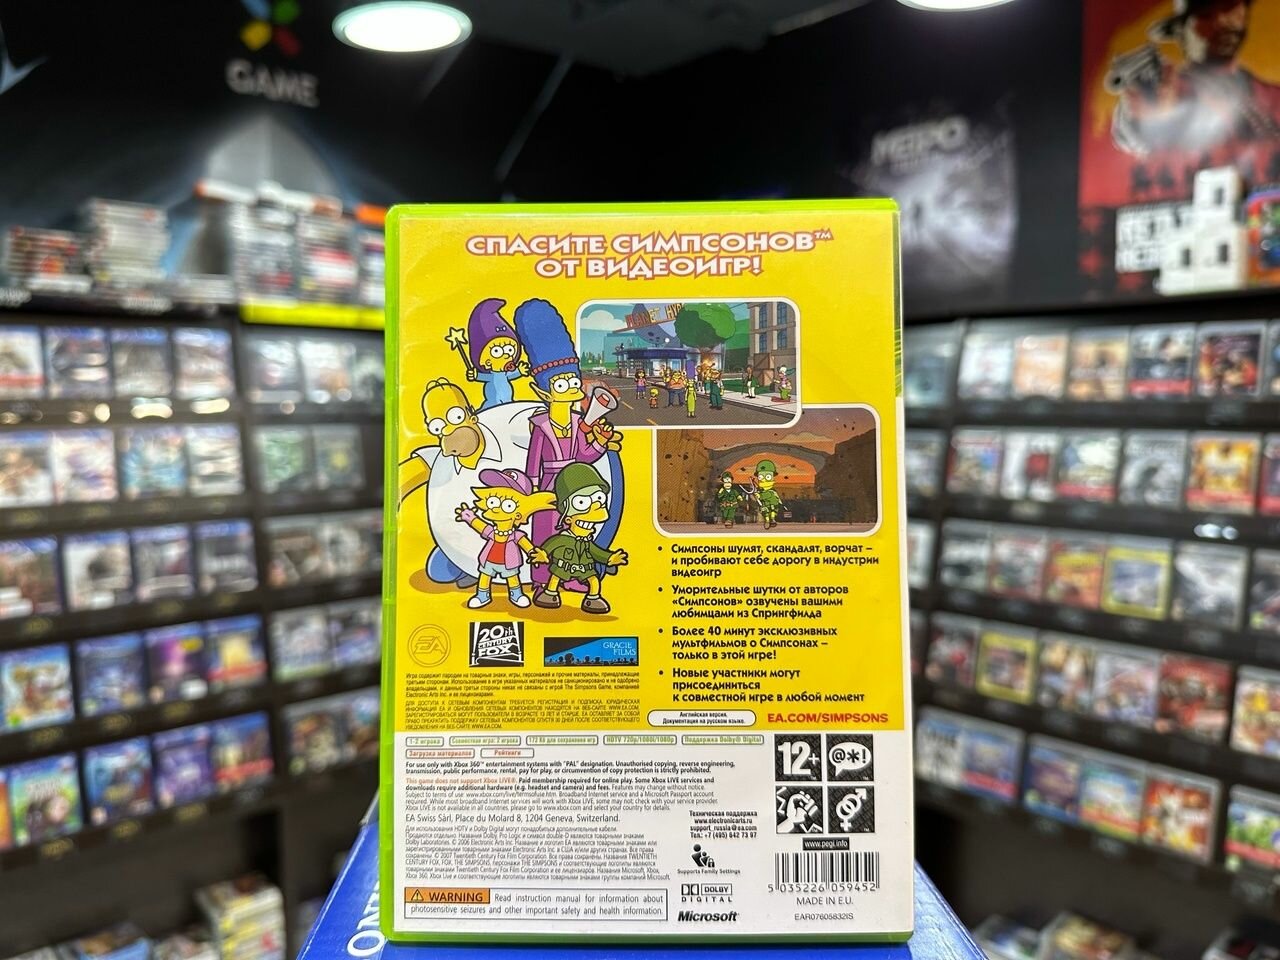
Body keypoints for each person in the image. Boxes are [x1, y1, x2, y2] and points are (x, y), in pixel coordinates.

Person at [1109, 0, 1280, 157]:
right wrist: (1149, 118)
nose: (1223, 22)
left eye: (1231, 10)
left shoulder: (1269, 94)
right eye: (1206, 16)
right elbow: (1134, 138)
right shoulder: (1170, 90)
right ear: (1180, 30)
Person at [534, 463, 628, 614]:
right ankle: (550, 594)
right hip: (564, 565)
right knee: (555, 578)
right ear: (567, 518)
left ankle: (593, 599)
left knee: (594, 581)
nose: (595, 507)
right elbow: (552, 544)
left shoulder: (587, 542)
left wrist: (610, 558)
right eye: (582, 502)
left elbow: (596, 551)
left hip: (584, 566)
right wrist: (543, 554)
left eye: (599, 499)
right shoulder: (564, 538)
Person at [453, 468, 553, 609]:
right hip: (488, 560)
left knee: (512, 578)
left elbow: (526, 545)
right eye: (493, 502)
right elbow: (481, 527)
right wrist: (470, 518)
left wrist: (534, 553)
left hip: (509, 562)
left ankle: (516, 595)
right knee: (484, 577)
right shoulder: (492, 532)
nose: (496, 509)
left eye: (508, 505)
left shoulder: (515, 535)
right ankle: (482, 596)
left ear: (519, 513)